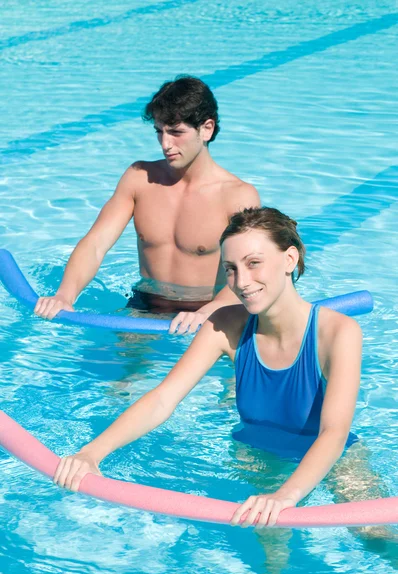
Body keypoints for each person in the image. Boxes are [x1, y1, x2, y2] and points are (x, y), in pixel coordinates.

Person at [53, 207, 363, 528]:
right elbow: (162, 399)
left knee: (376, 535)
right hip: (257, 458)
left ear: (289, 260)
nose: (241, 282)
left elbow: (333, 432)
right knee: (269, 557)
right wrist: (90, 454)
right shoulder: (224, 325)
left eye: (254, 263)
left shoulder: (338, 332)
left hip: (336, 459)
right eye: (230, 269)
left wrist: (287, 494)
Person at [34, 76, 260, 334]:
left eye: (176, 132)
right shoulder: (139, 179)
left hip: (211, 312)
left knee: (233, 375)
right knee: (117, 375)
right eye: (159, 131)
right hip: (146, 306)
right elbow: (96, 244)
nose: (166, 144)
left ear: (206, 129)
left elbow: (251, 274)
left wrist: (206, 313)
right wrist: (65, 295)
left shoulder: (237, 196)